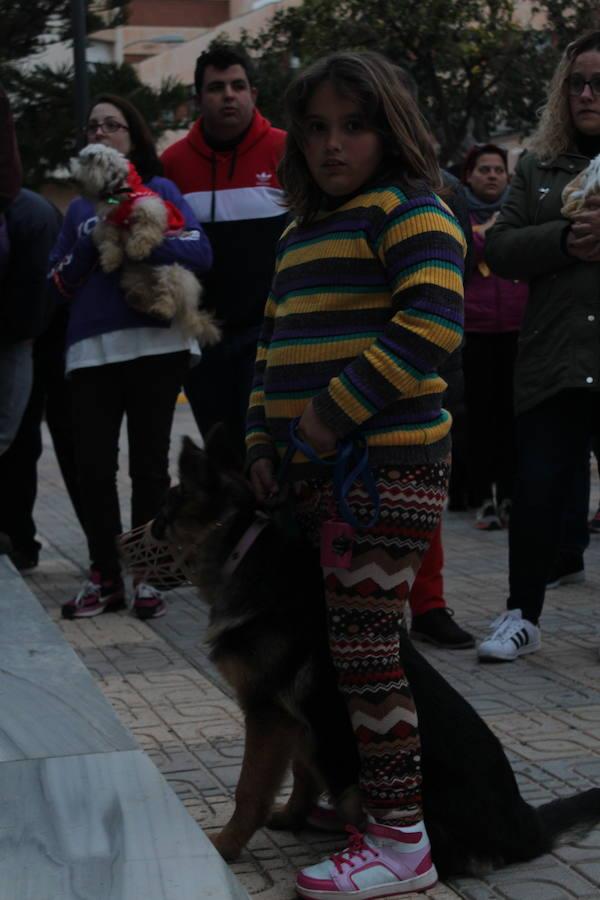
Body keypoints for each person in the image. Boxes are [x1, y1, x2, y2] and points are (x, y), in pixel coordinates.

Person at [246, 51, 465, 897]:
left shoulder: (412, 211)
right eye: (316, 128)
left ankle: (403, 840)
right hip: (314, 471)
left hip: (388, 469)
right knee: (345, 648)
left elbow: (430, 325)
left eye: (355, 126)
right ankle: (373, 801)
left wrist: (327, 416)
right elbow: (269, 350)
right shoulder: (300, 234)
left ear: (392, 130)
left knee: (368, 647)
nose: (333, 145)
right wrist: (267, 445)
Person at [49, 94, 213, 620]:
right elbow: (57, 283)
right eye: (92, 125)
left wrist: (141, 236)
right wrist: (91, 240)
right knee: (92, 467)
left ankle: (147, 575)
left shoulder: (160, 190)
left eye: (112, 125)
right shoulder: (75, 208)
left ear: (132, 137)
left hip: (157, 346)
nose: (100, 132)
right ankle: (104, 575)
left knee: (148, 464)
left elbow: (200, 251)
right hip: (90, 353)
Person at [479, 31, 600, 662]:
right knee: (537, 491)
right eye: (576, 82)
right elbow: (498, 249)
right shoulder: (537, 165)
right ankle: (521, 617)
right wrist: (564, 241)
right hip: (553, 357)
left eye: (597, 83)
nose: (586, 94)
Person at [161, 45, 286, 459]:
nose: (228, 95)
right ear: (198, 99)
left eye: (238, 85)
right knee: (224, 462)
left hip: (270, 336)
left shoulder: (288, 152)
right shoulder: (172, 165)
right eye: (216, 87)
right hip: (203, 340)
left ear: (254, 93)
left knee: (269, 456)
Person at [461, 143, 528, 531]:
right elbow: (466, 253)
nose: (491, 175)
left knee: (512, 417)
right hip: (475, 329)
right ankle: (483, 497)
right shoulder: (458, 212)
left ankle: (510, 495)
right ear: (469, 175)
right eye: (483, 169)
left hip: (518, 328)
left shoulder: (519, 212)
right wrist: (490, 235)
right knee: (480, 419)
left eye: (497, 170)